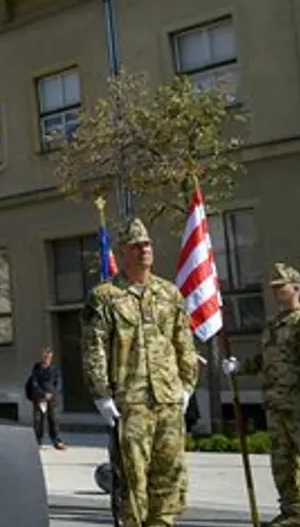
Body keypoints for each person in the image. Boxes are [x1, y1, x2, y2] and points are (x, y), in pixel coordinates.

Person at [81, 218, 198, 527]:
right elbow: (95, 348)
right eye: (136, 246)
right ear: (122, 252)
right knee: (133, 482)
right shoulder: (105, 296)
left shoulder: (169, 293)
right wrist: (101, 395)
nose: (144, 250)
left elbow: (183, 341)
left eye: (147, 244)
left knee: (170, 478)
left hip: (168, 398)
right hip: (130, 401)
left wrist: (187, 386)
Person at [222, 263, 300, 527]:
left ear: (296, 287)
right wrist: (239, 367)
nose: (276, 292)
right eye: (273, 288)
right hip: (278, 406)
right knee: (283, 465)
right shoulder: (274, 324)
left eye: (281, 287)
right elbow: (264, 360)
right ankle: (292, 514)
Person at [26, 347, 65, 450]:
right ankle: (37, 442)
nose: (47, 358)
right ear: (42, 356)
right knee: (38, 420)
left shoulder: (55, 369)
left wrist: (52, 393)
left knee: (54, 420)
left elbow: (59, 384)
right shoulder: (37, 368)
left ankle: (57, 441)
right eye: (45, 356)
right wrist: (42, 394)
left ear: (51, 357)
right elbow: (34, 383)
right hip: (39, 398)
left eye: (49, 356)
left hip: (52, 398)